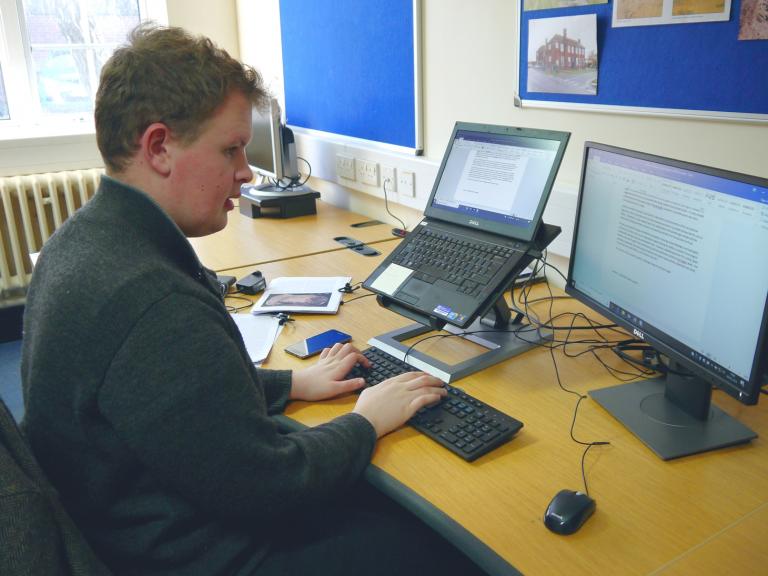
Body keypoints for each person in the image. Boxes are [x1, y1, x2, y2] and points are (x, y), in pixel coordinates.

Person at [21, 24, 485, 576]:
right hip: (193, 552)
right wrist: (365, 421)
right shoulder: (152, 300)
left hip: (120, 520)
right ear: (159, 147)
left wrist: (293, 384)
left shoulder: (82, 240)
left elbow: (172, 398)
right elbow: (270, 486)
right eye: (230, 149)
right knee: (438, 544)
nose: (246, 172)